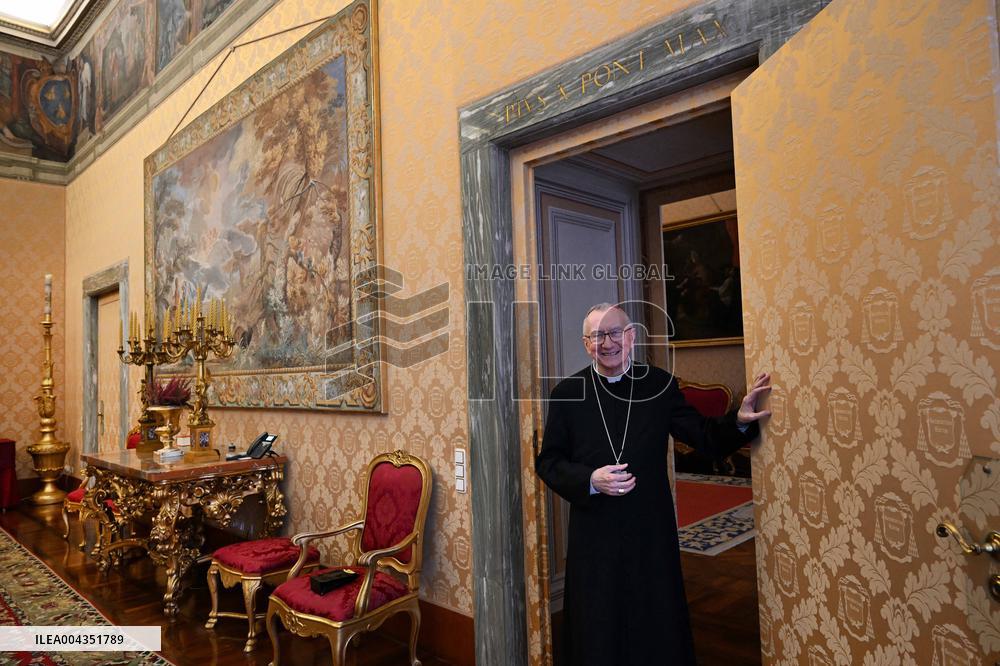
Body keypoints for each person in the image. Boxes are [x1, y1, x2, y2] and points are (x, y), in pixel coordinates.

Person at [535, 302, 771, 665]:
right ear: (586, 344)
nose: (607, 342)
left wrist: (738, 420)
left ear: (631, 338)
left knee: (654, 618)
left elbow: (703, 436)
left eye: (615, 333)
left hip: (649, 528)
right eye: (597, 336)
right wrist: (590, 479)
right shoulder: (567, 393)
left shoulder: (659, 385)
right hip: (594, 532)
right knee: (598, 622)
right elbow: (548, 462)